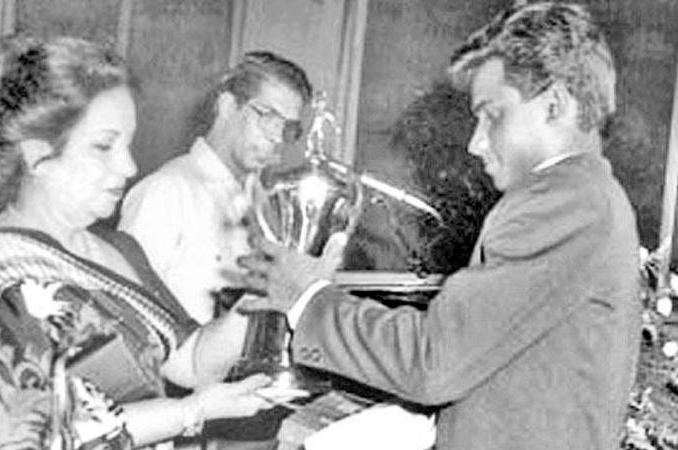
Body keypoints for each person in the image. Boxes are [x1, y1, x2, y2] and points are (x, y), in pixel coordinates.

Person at [239, 3, 641, 450]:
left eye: (492, 114)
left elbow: (432, 362)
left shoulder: (565, 202)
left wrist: (307, 298)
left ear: (555, 105)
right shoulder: (586, 198)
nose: (475, 142)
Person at [0, 35, 275, 450]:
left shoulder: (120, 250)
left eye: (127, 143)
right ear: (37, 154)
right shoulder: (1, 271)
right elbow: (39, 436)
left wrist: (266, 302)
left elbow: (189, 360)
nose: (129, 165)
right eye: (104, 146)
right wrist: (190, 413)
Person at [119, 51, 312, 325]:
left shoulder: (265, 208)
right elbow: (123, 312)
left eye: (288, 128)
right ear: (227, 107)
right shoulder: (167, 191)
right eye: (268, 117)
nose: (277, 138)